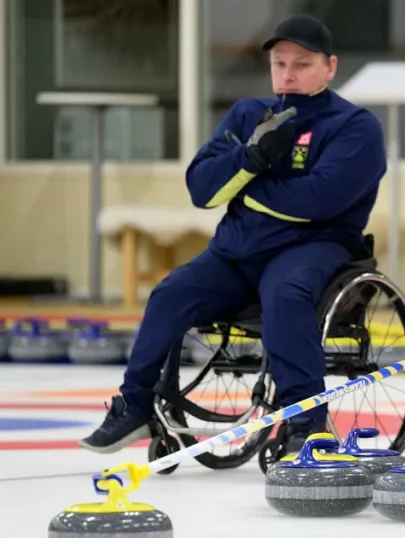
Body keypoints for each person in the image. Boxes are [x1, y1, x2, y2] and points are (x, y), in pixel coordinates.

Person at [79, 15, 386, 455]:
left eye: (302, 63)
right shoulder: (247, 115)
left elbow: (317, 201)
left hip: (314, 247)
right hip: (237, 252)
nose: (289, 73)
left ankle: (306, 421)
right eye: (280, 64)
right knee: (170, 293)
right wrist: (252, 155)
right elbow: (202, 190)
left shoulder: (355, 127)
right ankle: (136, 405)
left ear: (330, 67)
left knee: (285, 295)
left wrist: (246, 178)